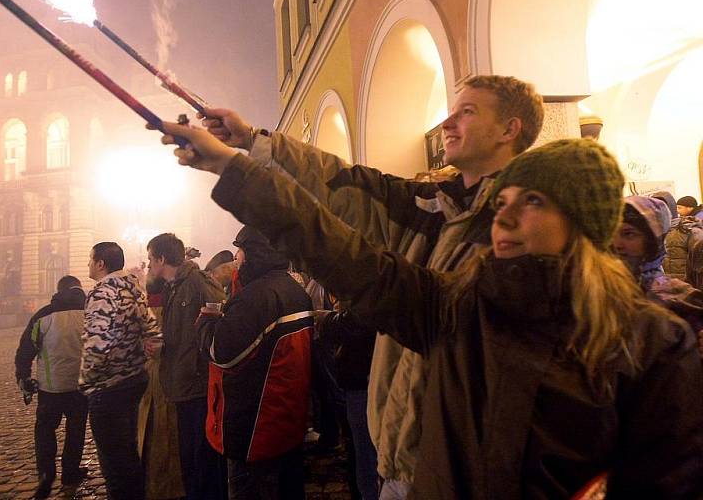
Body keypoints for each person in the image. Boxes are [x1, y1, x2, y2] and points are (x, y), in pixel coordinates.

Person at [157, 124, 703, 498]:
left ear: (584, 223)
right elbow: (340, 250)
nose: (504, 220)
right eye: (502, 203)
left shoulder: (652, 342)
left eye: (532, 202)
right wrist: (234, 166)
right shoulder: (458, 306)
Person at [189, 75, 545, 498]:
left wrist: (234, 170)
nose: (447, 122)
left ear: (510, 129)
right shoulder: (430, 205)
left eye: (467, 111)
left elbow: (352, 261)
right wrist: (252, 141)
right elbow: (341, 183)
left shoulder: (521, 237)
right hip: (400, 455)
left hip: (461, 469)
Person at [196, 226, 313, 500]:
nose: (237, 257)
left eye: (241, 250)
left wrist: (207, 323)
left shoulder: (255, 298)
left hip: (254, 430)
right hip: (287, 422)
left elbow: (222, 353)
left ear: (255, 253)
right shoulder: (295, 290)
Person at [147, 233, 227, 500]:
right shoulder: (172, 287)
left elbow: (220, 325)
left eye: (150, 259)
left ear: (161, 259)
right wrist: (162, 345)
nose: (148, 266)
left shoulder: (197, 282)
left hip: (197, 385)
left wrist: (198, 360)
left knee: (202, 460)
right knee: (190, 459)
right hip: (181, 383)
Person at [80, 241, 163, 500]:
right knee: (128, 455)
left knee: (115, 466)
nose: (88, 264)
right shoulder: (134, 288)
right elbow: (152, 328)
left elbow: (97, 344)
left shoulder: (103, 293)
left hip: (108, 387)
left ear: (100, 264)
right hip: (134, 380)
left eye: (90, 259)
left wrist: (87, 381)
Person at [14, 275, 88, 498]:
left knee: (45, 430)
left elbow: (26, 350)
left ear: (58, 291)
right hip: (81, 386)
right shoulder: (92, 312)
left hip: (50, 386)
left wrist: (23, 377)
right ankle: (70, 472)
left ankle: (46, 474)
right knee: (76, 431)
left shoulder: (43, 315)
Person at [612, 195, 703, 353]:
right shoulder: (600, 290)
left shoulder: (679, 299)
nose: (616, 244)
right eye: (613, 233)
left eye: (629, 234)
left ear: (652, 241)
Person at [317, 301, 378, 500]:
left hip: (364, 380)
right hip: (365, 376)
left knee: (367, 458)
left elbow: (358, 323)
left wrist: (329, 321)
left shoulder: (372, 283)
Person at [137, 277, 186, 500]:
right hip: (172, 380)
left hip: (149, 382)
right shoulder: (174, 310)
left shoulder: (143, 314)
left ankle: (154, 487)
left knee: (151, 436)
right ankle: (176, 485)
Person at [652, 191, 703, 285]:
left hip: (687, 289)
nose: (658, 211)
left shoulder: (690, 231)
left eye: (663, 207)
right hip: (665, 288)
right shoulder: (653, 232)